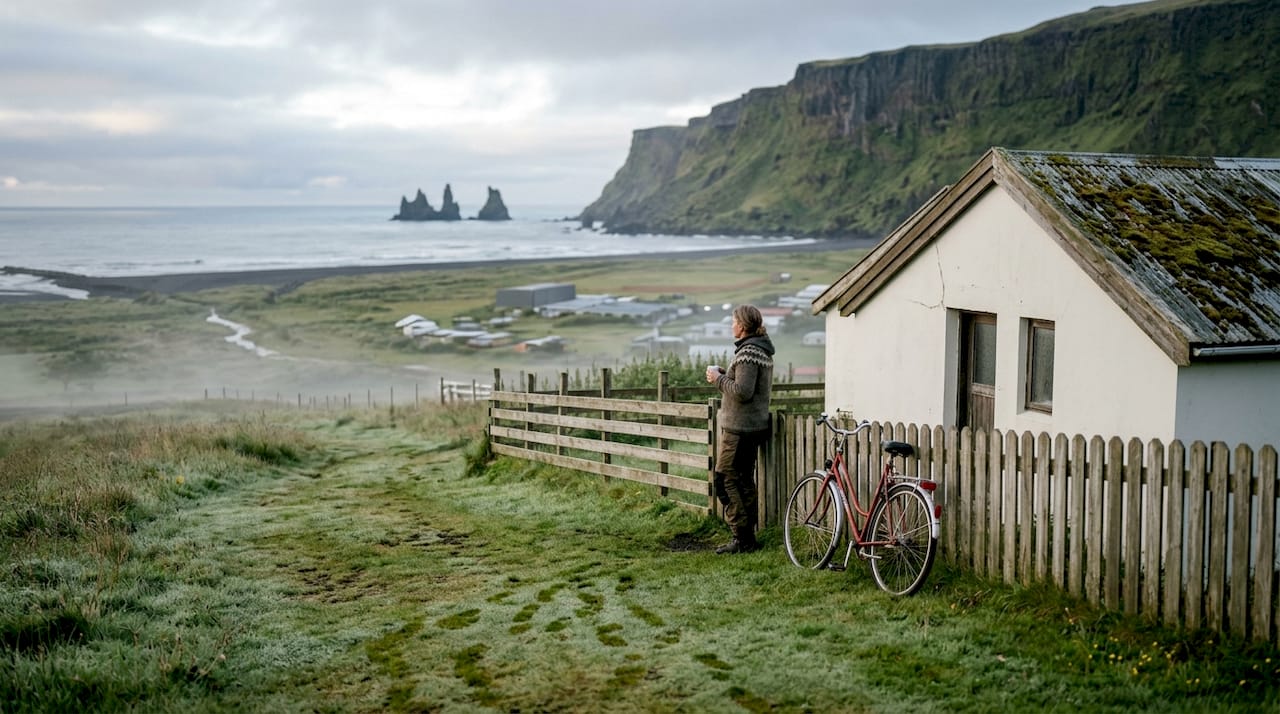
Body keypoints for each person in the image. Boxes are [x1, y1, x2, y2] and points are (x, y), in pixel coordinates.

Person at [705, 304, 774, 554]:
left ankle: (742, 538)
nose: (731, 325)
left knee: (725, 480)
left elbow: (743, 392)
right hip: (752, 427)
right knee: (743, 480)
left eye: (733, 321)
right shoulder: (759, 350)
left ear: (742, 326)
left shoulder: (748, 353)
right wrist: (727, 375)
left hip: (740, 429)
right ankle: (747, 538)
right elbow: (746, 384)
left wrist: (718, 379)